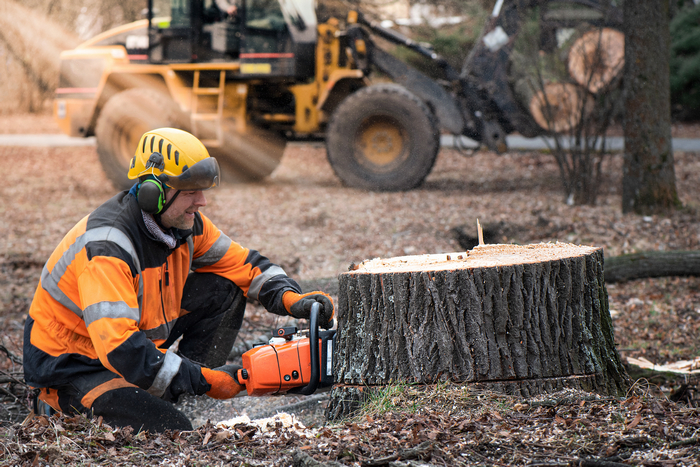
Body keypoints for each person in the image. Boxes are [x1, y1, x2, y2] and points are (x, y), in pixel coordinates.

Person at [23, 127, 334, 433]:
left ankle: (178, 392)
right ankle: (55, 403)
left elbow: (242, 264)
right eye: (190, 192)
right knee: (174, 429)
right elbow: (121, 349)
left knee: (224, 290)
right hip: (73, 364)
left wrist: (289, 298)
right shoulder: (108, 248)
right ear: (153, 192)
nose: (201, 201)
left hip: (128, 347)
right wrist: (206, 381)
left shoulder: (184, 224)